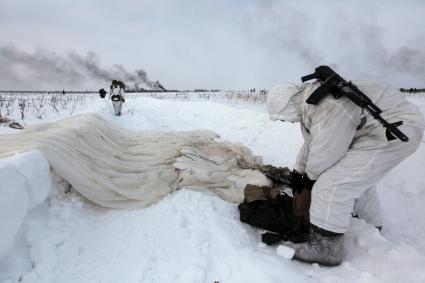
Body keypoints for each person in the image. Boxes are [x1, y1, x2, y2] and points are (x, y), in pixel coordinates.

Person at [266, 80, 425, 266]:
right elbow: (313, 143)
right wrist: (298, 171)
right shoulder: (313, 102)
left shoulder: (327, 106)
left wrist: (310, 179)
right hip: (380, 128)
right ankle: (371, 225)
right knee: (354, 177)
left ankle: (327, 248)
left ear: (288, 105)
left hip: (394, 131)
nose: (286, 121)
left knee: (332, 184)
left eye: (283, 117)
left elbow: (327, 152)